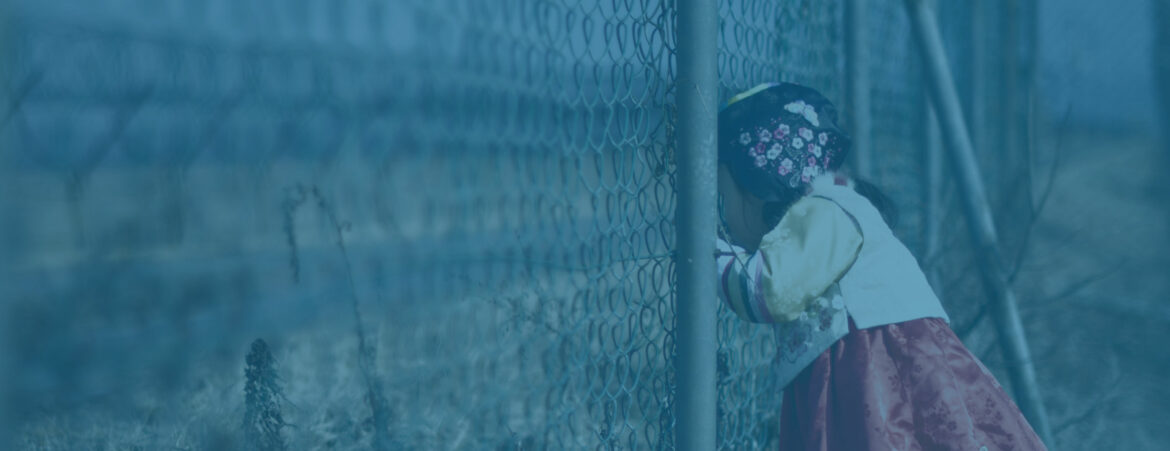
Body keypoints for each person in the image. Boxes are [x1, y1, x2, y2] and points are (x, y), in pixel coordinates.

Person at [714, 82, 1047, 450]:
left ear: (757, 180)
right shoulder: (824, 213)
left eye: (722, 197)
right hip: (872, 366)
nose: (721, 218)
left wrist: (704, 247)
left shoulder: (825, 210)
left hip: (873, 369)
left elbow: (765, 292)